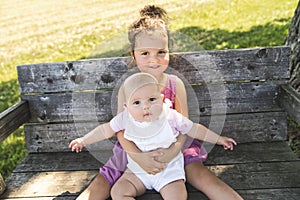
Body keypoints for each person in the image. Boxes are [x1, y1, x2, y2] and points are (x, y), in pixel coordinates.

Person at [76, 5, 243, 200]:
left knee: (197, 172)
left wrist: (172, 151)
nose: (153, 60)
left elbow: (184, 128)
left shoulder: (174, 84)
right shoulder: (128, 87)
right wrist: (138, 157)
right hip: (133, 145)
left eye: (161, 52)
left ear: (169, 51)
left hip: (173, 144)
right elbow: (121, 129)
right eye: (145, 53)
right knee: (108, 176)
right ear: (133, 54)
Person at [70, 72, 237, 199]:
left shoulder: (170, 116)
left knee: (178, 195)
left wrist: (219, 139)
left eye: (151, 99)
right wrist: (83, 140)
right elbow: (105, 130)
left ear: (162, 98)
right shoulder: (124, 118)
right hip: (137, 171)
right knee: (118, 192)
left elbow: (194, 129)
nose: (146, 107)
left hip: (168, 170)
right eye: (137, 103)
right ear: (126, 106)